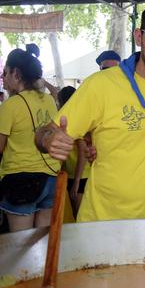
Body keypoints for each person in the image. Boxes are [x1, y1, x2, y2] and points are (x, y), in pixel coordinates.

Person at [35, 2, 145, 222]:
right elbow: (44, 133)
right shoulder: (101, 85)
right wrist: (49, 139)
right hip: (104, 221)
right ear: (139, 36)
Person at [0, 44, 60, 232]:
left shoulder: (11, 105)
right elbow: (28, 130)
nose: (3, 78)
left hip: (22, 180)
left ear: (16, 74)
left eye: (5, 73)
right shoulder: (49, 100)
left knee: (21, 246)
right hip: (51, 178)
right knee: (42, 242)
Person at [57, 85, 90, 217]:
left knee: (79, 217)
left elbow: (83, 151)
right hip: (72, 174)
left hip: (80, 176)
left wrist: (76, 181)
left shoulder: (76, 120)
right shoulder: (68, 118)